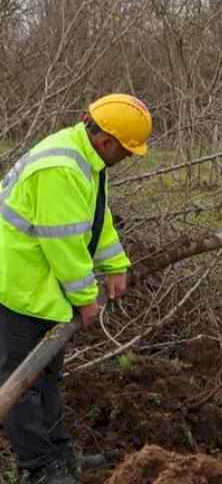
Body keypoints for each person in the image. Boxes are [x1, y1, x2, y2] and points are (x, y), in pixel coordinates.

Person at [0, 94, 151, 483]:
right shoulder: (60, 168)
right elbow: (63, 242)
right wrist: (86, 299)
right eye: (128, 152)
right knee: (20, 381)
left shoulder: (87, 159)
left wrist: (116, 265)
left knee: (47, 375)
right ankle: (40, 467)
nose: (130, 158)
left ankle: (59, 454)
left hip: (43, 285)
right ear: (107, 141)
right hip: (17, 286)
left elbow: (95, 222)